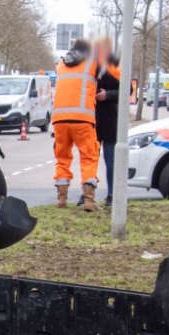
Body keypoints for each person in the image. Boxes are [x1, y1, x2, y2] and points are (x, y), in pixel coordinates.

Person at [52, 38, 115, 212]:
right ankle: (89, 201)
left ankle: (61, 200)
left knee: (62, 158)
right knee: (88, 157)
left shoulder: (61, 65)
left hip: (59, 119)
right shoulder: (92, 63)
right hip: (82, 118)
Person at [76, 39, 120, 209]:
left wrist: (107, 95)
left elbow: (127, 90)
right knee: (90, 159)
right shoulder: (89, 68)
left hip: (109, 120)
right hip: (91, 120)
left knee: (110, 160)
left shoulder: (115, 68)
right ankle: (87, 195)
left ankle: (111, 194)